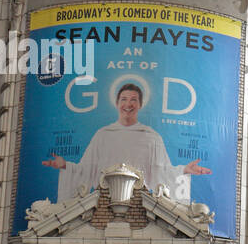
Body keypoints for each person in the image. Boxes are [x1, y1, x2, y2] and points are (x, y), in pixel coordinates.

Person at [42, 82, 211, 203]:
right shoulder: (103, 135)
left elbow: (162, 170)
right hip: (105, 203)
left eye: (133, 100)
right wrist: (66, 166)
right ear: (116, 103)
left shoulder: (152, 137)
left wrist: (183, 170)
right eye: (123, 99)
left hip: (141, 204)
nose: (128, 104)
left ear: (140, 104)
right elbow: (87, 169)